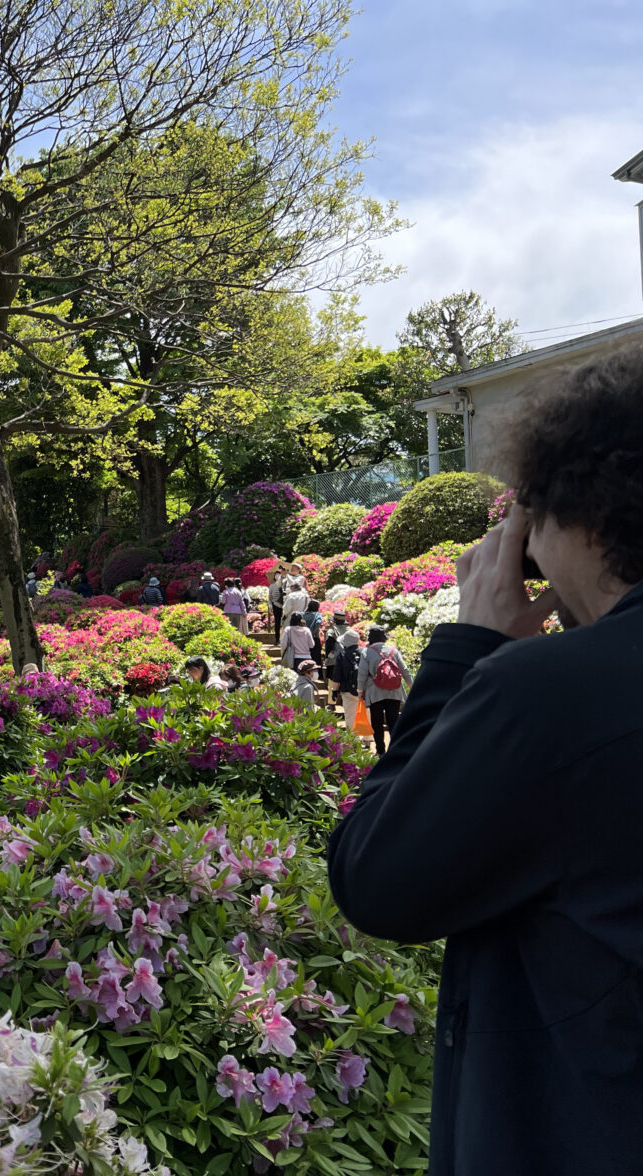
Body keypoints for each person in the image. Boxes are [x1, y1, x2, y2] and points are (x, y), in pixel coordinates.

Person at [328, 352, 643, 1173]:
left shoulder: (551, 696)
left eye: (531, 524)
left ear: (588, 517)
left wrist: (466, 650)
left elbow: (375, 874)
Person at [356, 625, 412, 753]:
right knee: (393, 721)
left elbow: (362, 673)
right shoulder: (394, 651)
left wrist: (360, 690)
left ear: (371, 637)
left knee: (377, 722)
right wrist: (410, 686)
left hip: (375, 691)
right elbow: (405, 670)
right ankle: (395, 750)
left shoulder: (367, 652)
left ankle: (380, 750)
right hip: (394, 691)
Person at [324, 611, 363, 727]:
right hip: (351, 662)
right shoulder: (350, 631)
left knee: (333, 679)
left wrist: (328, 657)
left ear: (334, 620)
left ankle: (332, 703)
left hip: (334, 660)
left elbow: (328, 646)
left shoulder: (332, 630)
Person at [268, 566, 287, 637]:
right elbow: (270, 597)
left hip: (285, 604)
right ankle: (277, 638)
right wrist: (270, 605)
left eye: (279, 574)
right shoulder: (272, 586)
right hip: (275, 604)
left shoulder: (285, 584)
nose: (277, 576)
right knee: (277, 622)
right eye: (276, 574)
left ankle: (284, 638)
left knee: (285, 622)